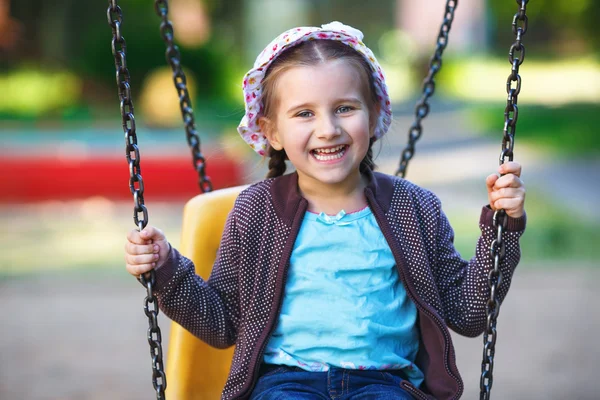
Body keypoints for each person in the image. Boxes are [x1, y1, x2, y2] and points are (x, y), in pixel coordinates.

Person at [125, 21, 526, 400]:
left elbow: (469, 312)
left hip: (384, 384)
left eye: (345, 108)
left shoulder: (414, 208)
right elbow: (222, 322)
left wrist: (501, 229)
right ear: (271, 132)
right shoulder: (256, 212)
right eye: (304, 113)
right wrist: (164, 270)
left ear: (373, 114)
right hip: (286, 385)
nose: (328, 129)